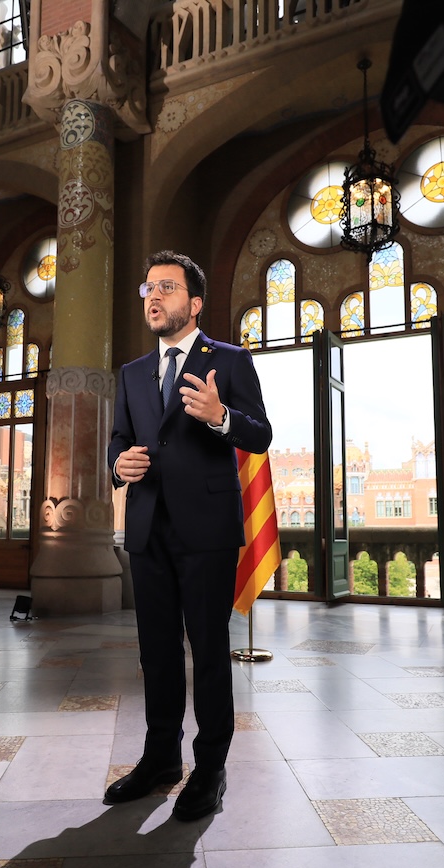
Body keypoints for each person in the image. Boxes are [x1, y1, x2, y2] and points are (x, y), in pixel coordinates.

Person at [105, 250, 272, 821]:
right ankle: (159, 759)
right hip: (147, 529)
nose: (153, 296)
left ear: (194, 304)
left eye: (167, 288)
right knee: (156, 653)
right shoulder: (130, 374)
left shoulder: (229, 359)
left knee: (208, 651)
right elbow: (119, 439)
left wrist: (221, 416)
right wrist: (117, 463)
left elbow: (260, 434)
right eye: (147, 288)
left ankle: (210, 768)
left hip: (207, 531)